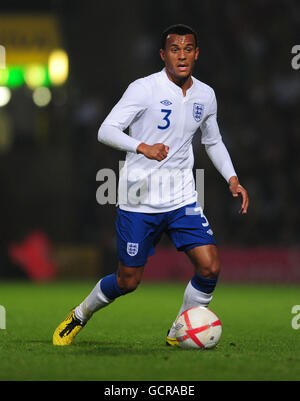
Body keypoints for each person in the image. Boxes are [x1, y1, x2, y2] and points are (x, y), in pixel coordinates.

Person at [53, 24, 249, 346]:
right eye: (175, 49)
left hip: (182, 196)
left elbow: (213, 142)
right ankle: (80, 314)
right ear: (163, 54)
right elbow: (106, 129)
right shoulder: (144, 89)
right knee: (128, 281)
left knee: (210, 267)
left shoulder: (206, 95)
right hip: (138, 198)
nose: (182, 55)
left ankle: (179, 330)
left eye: (188, 49)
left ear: (197, 54)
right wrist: (141, 146)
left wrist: (232, 179)